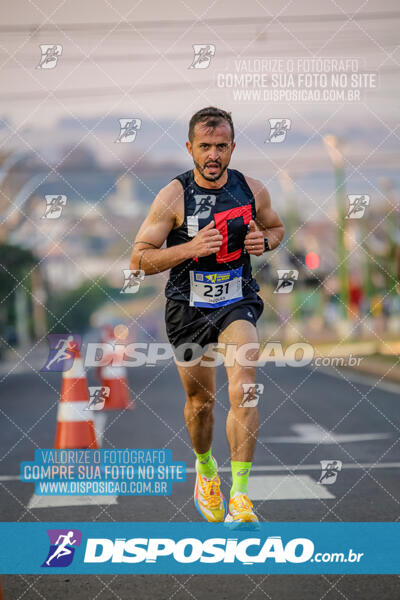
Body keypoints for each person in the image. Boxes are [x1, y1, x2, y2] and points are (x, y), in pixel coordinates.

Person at [130, 107, 284, 524]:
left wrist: (263, 242)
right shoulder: (172, 197)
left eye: (221, 146)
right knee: (201, 402)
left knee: (243, 386)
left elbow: (276, 227)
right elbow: (139, 260)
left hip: (237, 301)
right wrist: (189, 249)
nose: (213, 155)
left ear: (232, 147)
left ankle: (241, 496)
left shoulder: (252, 189)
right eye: (205, 147)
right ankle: (206, 470)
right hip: (188, 308)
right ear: (190, 149)